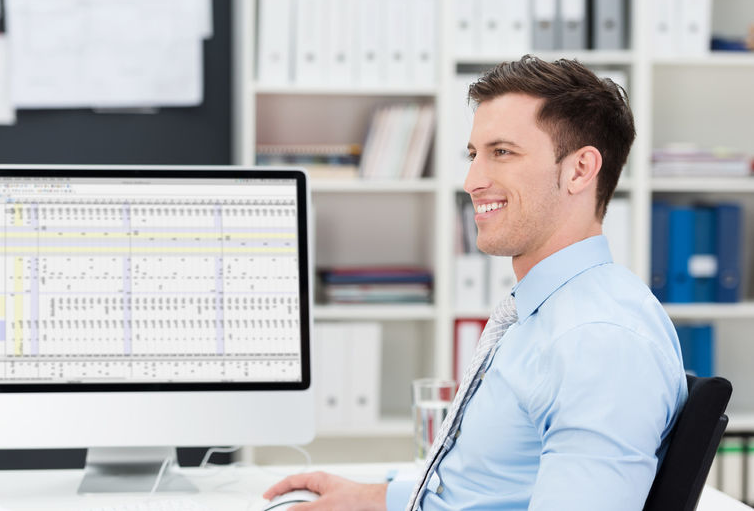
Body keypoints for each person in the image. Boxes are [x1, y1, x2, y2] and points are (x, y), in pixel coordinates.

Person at [263, 55, 688, 511]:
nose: (472, 181)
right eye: (473, 155)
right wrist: (375, 497)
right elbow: (492, 487)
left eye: (502, 152)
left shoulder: (598, 341)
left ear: (580, 170)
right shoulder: (547, 313)